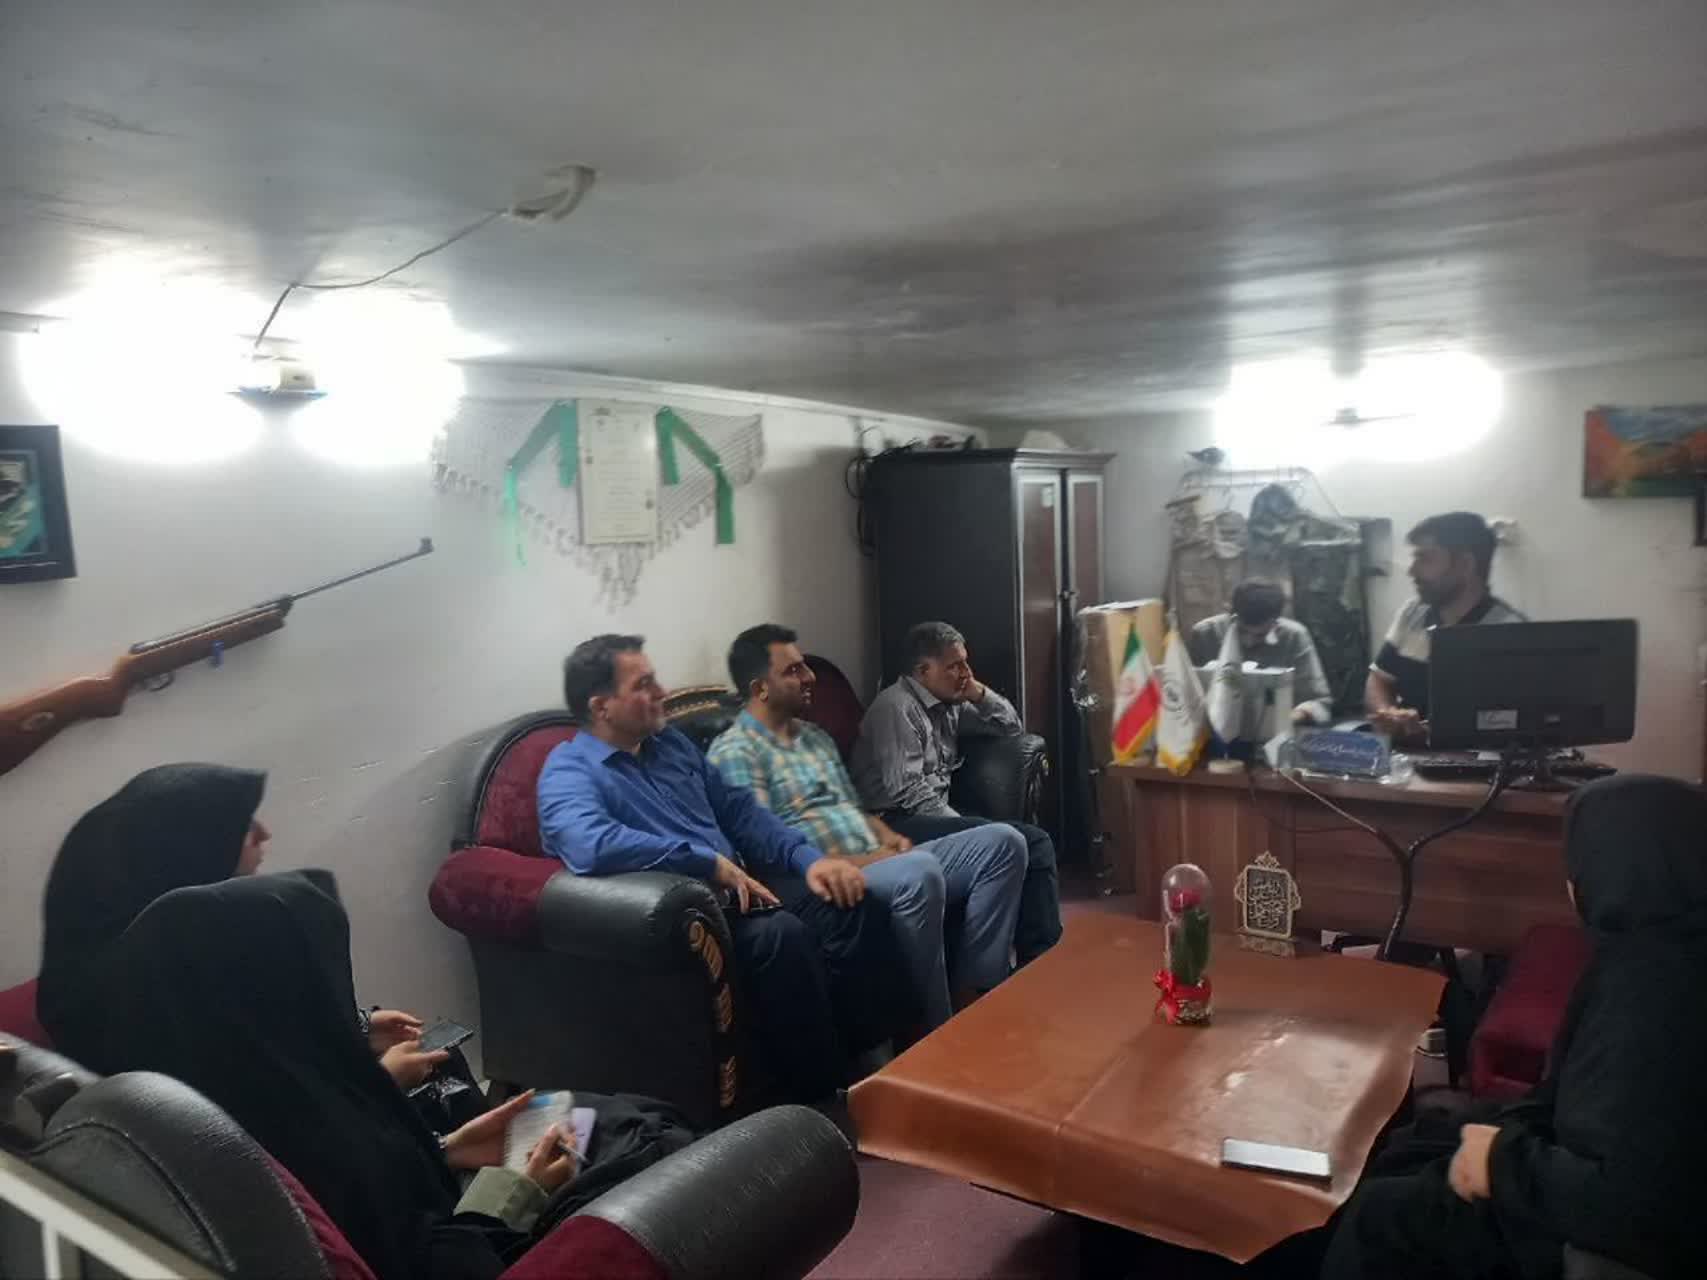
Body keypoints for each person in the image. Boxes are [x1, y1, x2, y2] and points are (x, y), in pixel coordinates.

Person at [66, 870, 695, 1280]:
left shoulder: (214, 1090)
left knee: (594, 1116)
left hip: (449, 1191)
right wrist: (516, 1189)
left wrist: (443, 1150)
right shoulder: (300, 1136)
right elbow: (428, 1262)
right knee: (648, 1136)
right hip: (483, 1237)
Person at [1319, 774, 1707, 1280]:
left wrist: (1499, 1161)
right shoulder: (1655, 951)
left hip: (1584, 1238)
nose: (1571, 884)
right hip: (1565, 1175)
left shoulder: (1650, 997)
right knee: (1418, 1141)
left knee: (1382, 1216)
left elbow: (1629, 1204)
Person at [537, 634, 911, 1103]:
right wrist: (704, 861)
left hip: (746, 891)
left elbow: (739, 810)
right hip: (689, 919)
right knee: (782, 937)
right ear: (602, 706)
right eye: (644, 684)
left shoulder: (669, 743)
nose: (662, 692)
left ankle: (878, 1073)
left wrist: (810, 861)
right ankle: (820, 1105)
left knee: (852, 900)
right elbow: (588, 844)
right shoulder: (569, 771)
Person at [38, 763, 447, 1093]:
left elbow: (269, 1039)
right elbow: (271, 1124)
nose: (264, 833)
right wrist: (384, 1083)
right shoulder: (149, 1008)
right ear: (188, 852)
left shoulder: (170, 953)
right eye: (241, 826)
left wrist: (354, 1030)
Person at [709, 624, 1026, 1031]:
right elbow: (766, 847)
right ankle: (929, 1029)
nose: (810, 677)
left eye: (805, 666)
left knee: (1004, 843)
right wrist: (871, 858)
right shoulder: (736, 752)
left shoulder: (814, 737)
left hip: (877, 859)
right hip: (822, 875)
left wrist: (887, 836)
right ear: (761, 689)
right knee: (918, 871)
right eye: (794, 670)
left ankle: (977, 991)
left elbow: (850, 808)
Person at [851, 621, 1062, 966]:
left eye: (966, 662)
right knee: (1029, 841)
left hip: (930, 813)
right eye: (954, 666)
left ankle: (1035, 959)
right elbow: (907, 791)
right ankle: (1039, 960)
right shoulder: (896, 707)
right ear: (923, 671)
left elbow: (1011, 727)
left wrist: (977, 693)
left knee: (1028, 841)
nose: (965, 672)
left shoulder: (952, 704)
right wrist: (969, 832)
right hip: (893, 820)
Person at [1365, 511, 1526, 743]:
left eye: (1425, 559)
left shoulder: (1510, 631)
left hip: (1470, 760)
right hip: (1404, 756)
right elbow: (1379, 679)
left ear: (1465, 564)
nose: (1412, 570)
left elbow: (1510, 723)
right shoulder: (1413, 613)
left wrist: (1425, 730)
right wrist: (1387, 713)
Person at [1187, 579, 1333, 724]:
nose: (1249, 642)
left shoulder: (1293, 636)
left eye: (1261, 635)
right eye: (1241, 631)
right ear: (1231, 615)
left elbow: (1319, 703)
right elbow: (1188, 695)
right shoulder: (1206, 634)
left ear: (1276, 623)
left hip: (1277, 727)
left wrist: (1282, 719)